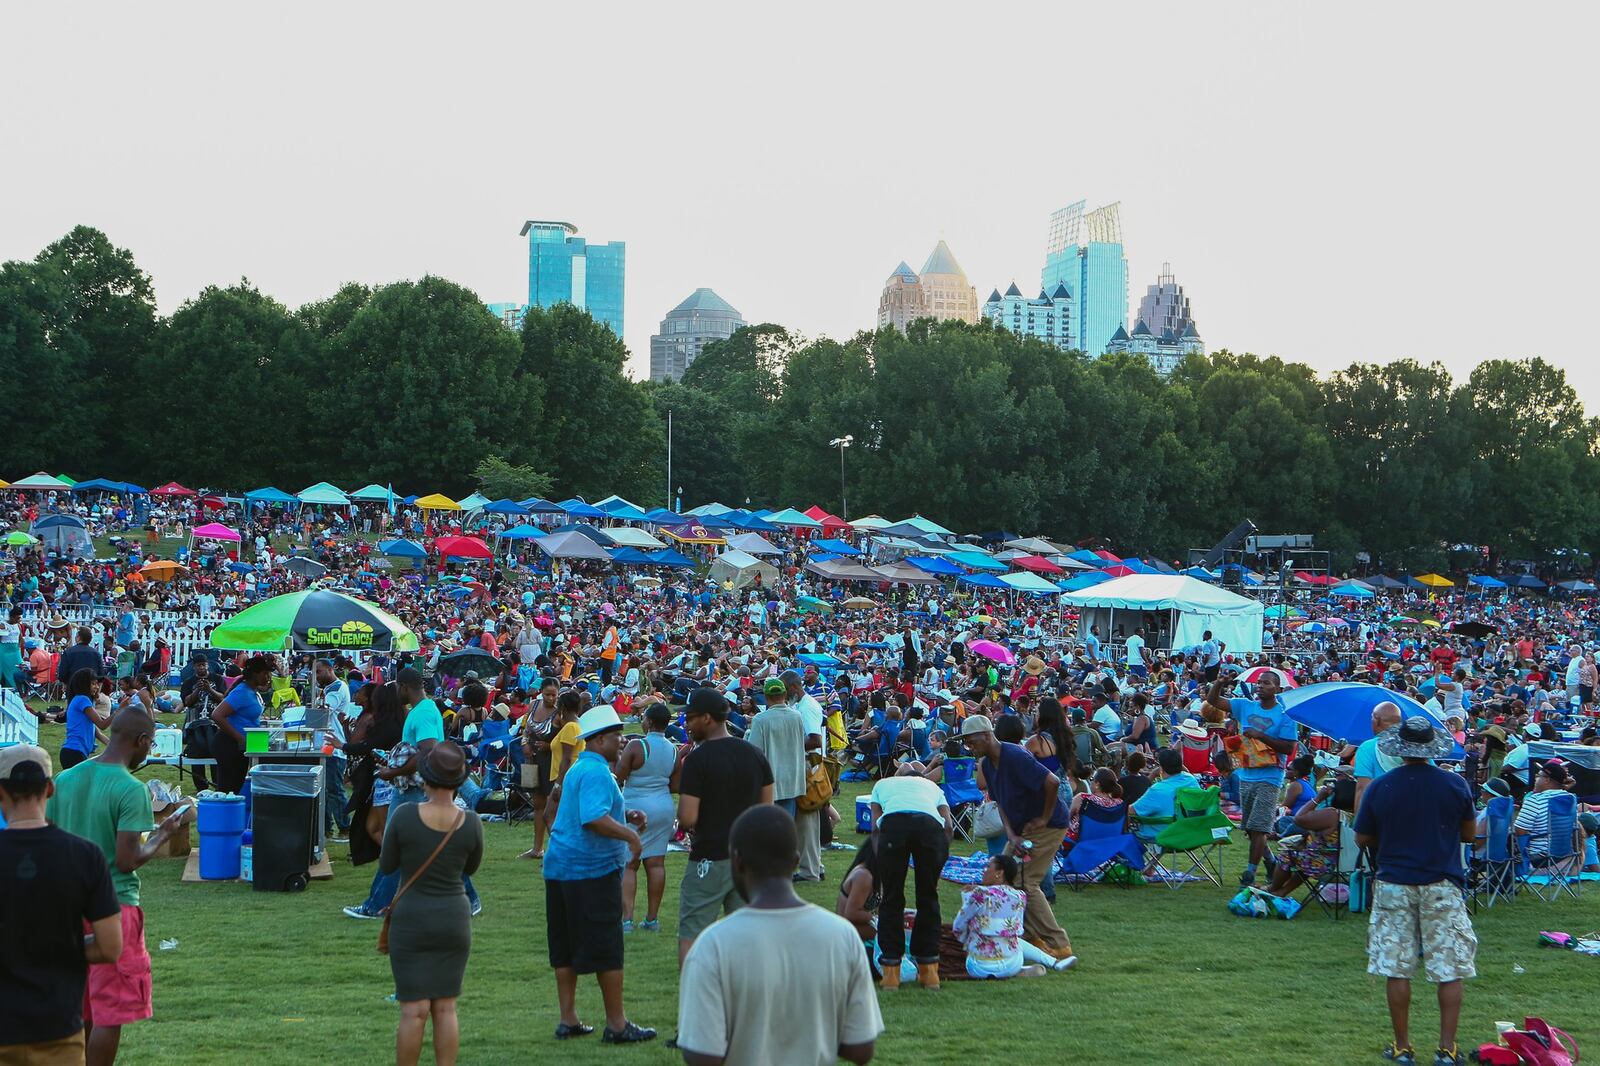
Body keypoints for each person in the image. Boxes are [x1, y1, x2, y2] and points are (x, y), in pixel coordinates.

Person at [676, 805, 883, 1066]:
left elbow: (702, 1055)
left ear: (737, 862)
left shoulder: (712, 944)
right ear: (796, 861)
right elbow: (861, 1049)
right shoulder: (842, 936)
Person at [47, 708, 189, 1066]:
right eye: (150, 744)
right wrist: (161, 836)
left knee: (81, 1007)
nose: (149, 751)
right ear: (141, 742)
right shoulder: (130, 789)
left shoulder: (65, 779)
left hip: (66, 909)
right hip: (113, 908)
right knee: (110, 1010)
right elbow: (127, 859)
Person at [1354, 717, 1477, 1066]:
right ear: (1431, 749)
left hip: (1394, 881)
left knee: (1397, 967)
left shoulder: (1381, 786)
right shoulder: (1454, 785)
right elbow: (1469, 834)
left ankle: (1403, 1046)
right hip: (1442, 881)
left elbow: (1362, 836)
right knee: (1449, 967)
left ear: (1400, 748)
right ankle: (1447, 1049)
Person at [0, 745, 125, 1065]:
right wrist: (60, 946)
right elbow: (110, 946)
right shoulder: (85, 856)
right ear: (50, 789)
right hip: (58, 1031)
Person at [543, 706, 656, 1045]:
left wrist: (625, 813)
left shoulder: (581, 768)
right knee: (607, 946)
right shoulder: (596, 772)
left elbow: (589, 810)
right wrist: (630, 835)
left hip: (560, 867)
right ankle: (617, 1024)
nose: (623, 741)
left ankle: (569, 1019)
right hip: (589, 871)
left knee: (563, 946)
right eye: (618, 735)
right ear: (601, 739)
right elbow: (592, 818)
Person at [381, 740, 483, 1066]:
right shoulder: (471, 823)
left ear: (424, 778)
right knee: (445, 1006)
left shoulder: (404, 815)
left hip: (411, 918)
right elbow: (470, 869)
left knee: (413, 1009)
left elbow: (387, 865)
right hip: (453, 917)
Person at [957, 715, 1076, 965]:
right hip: (1020, 828)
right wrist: (1010, 834)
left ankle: (1059, 944)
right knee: (1006, 876)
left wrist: (1044, 818)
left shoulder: (1014, 756)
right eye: (966, 744)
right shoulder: (988, 765)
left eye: (971, 742)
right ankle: (1032, 937)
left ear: (987, 735)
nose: (969, 747)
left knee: (1025, 881)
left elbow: (1052, 782)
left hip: (1047, 825)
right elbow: (999, 801)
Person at [676, 687, 774, 968]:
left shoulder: (697, 759)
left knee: (693, 932)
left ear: (707, 718)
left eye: (691, 718)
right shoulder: (756, 755)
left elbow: (688, 818)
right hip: (749, 859)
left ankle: (696, 1002)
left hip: (710, 856)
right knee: (745, 936)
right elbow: (767, 812)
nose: (687, 725)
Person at [1205, 670, 1297, 886]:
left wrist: (1262, 735)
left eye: (1266, 683)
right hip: (1246, 773)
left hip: (1271, 776)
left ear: (1277, 688)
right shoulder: (1245, 706)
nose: (1261, 686)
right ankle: (1271, 861)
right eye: (1259, 683)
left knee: (1259, 826)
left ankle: (1249, 874)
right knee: (1250, 827)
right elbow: (1213, 701)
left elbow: (1289, 747)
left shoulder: (1285, 715)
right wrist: (1219, 683)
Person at [867, 771, 952, 990]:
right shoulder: (933, 787)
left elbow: (875, 828)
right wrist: (937, 868)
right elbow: (948, 827)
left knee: (892, 898)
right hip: (930, 828)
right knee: (928, 896)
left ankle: (891, 975)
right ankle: (929, 973)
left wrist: (882, 866)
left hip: (893, 827)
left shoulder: (882, 784)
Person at [952, 854, 1077, 979]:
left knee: (987, 937)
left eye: (988, 867)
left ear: (999, 873)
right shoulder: (1020, 896)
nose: (984, 871)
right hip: (1012, 963)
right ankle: (1052, 963)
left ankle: (1005, 971)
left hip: (979, 967)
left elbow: (958, 927)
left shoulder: (978, 894)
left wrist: (966, 942)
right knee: (1013, 939)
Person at [617, 702, 676, 932]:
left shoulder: (636, 745)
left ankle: (627, 920)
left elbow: (620, 776)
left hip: (636, 805)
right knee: (656, 863)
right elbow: (676, 783)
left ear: (649, 722)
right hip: (663, 805)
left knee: (630, 864)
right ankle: (652, 919)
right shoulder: (672, 749)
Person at [210, 654, 273, 793]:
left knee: (236, 787)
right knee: (228, 789)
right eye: (265, 674)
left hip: (242, 745)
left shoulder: (252, 691)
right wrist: (239, 738)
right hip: (229, 744)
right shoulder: (242, 692)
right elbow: (217, 715)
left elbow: (247, 714)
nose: (267, 678)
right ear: (255, 674)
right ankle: (225, 814)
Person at [744, 677, 807, 817]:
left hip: (770, 782)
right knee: (786, 826)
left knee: (768, 827)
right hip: (792, 780)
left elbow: (754, 753)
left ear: (766, 696)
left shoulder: (760, 719)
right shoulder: (797, 716)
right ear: (785, 694)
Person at [1129, 748, 1200, 845]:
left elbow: (1132, 811)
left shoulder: (1159, 789)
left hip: (1163, 834)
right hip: (1191, 833)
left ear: (1161, 768)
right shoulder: (1191, 780)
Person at [179, 652, 225, 792]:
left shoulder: (217, 679)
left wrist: (210, 689)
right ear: (194, 667)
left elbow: (223, 698)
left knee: (215, 752)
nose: (201, 668)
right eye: (198, 665)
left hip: (215, 723)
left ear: (207, 665)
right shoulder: (189, 682)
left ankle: (218, 785)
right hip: (195, 723)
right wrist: (197, 691)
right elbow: (187, 702)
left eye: (203, 665)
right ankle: (201, 788)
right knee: (197, 753)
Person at [1353, 701, 1404, 811]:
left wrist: (1358, 826)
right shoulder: (1414, 748)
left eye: (1372, 717)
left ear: (1376, 720)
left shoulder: (1368, 748)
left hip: (1379, 816)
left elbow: (1362, 791)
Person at [60, 668, 107, 770]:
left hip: (73, 753)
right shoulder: (82, 700)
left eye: (97, 684)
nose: (97, 687)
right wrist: (120, 710)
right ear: (84, 685)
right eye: (93, 684)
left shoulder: (81, 700)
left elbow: (97, 732)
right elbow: (102, 724)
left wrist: (114, 746)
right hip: (75, 753)